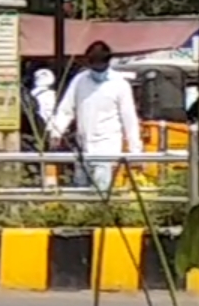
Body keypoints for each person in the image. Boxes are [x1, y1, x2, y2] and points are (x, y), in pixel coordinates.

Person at [46, 41, 142, 194]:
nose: (97, 69)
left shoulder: (119, 84)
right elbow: (66, 109)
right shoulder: (80, 81)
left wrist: (135, 150)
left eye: (100, 66)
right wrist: (56, 132)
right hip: (83, 146)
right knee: (80, 191)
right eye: (94, 65)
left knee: (101, 191)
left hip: (107, 146)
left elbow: (129, 120)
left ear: (107, 62)